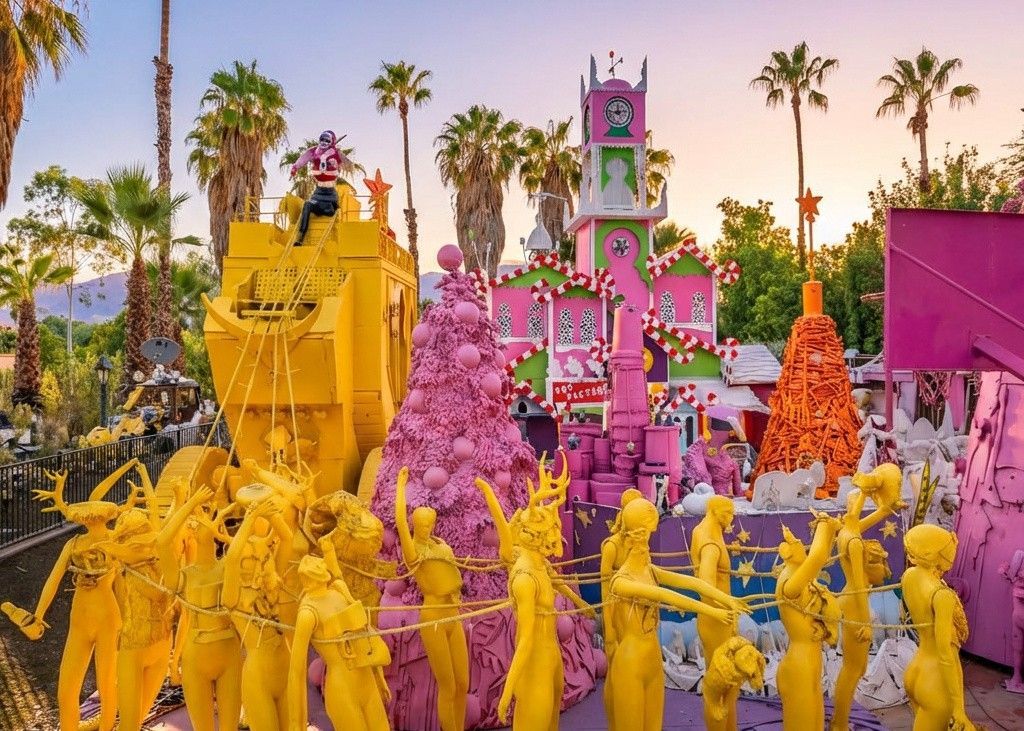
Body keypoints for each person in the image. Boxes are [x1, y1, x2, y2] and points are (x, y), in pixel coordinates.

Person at [1, 463, 137, 731]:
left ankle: (108, 727)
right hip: (80, 621)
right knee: (67, 690)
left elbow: (121, 585)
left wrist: (128, 622)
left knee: (108, 685)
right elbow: (52, 581)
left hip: (109, 620)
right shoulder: (73, 544)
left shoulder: (114, 543)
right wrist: (37, 616)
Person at [607, 498, 748, 731]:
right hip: (629, 663)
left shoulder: (649, 570)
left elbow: (692, 583)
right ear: (640, 535)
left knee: (654, 725)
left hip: (653, 662)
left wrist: (727, 600)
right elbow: (666, 595)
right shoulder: (620, 582)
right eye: (649, 535)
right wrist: (711, 609)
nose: (649, 544)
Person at [473, 454, 592, 730]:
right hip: (535, 666)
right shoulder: (524, 577)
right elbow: (525, 639)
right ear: (535, 536)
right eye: (551, 532)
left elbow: (556, 582)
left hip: (552, 661)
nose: (555, 539)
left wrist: (580, 603)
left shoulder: (539, 566)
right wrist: (506, 692)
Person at [156, 486, 242, 731]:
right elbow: (162, 541)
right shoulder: (184, 577)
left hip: (229, 655)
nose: (199, 521)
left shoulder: (229, 566)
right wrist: (188, 502)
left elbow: (243, 548)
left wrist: (253, 515)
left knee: (229, 727)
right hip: (195, 658)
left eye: (206, 517)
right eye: (197, 520)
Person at [394, 466, 469, 731]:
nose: (426, 527)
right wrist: (401, 486)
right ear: (415, 524)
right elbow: (401, 523)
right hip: (434, 617)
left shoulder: (440, 545)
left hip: (453, 614)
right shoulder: (413, 551)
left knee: (462, 683)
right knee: (447, 686)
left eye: (429, 523)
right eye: (421, 524)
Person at [287, 555, 391, 731]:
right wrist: (295, 724)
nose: (318, 564)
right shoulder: (307, 612)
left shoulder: (339, 590)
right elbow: (296, 672)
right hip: (342, 686)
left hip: (365, 676)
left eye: (318, 561)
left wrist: (379, 677)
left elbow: (365, 634)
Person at [831, 488, 896, 730]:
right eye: (862, 502)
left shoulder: (848, 531)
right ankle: (839, 723)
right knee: (853, 669)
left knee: (854, 667)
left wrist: (886, 508)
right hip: (855, 602)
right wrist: (867, 623)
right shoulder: (855, 540)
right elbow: (859, 584)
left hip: (850, 599)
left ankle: (841, 719)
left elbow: (870, 519)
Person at [902, 524, 976, 730]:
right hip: (935, 681)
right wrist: (958, 707)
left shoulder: (911, 576)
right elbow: (946, 655)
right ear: (934, 554)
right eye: (947, 548)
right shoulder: (942, 595)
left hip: (916, 670)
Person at [775, 514, 842, 730]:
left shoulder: (802, 579)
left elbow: (822, 554)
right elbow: (817, 557)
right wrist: (824, 523)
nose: (803, 547)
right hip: (799, 664)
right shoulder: (790, 584)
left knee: (815, 722)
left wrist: (832, 530)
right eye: (797, 545)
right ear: (786, 552)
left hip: (811, 661)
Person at [289, 130, 351, 245]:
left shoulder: (336, 153)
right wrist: (295, 167)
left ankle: (329, 210)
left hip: (330, 195)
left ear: (331, 141)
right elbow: (303, 159)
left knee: (330, 210)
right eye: (322, 139)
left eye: (327, 140)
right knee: (307, 205)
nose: (323, 142)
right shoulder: (313, 151)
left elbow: (349, 166)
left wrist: (337, 162)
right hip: (318, 193)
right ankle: (300, 237)